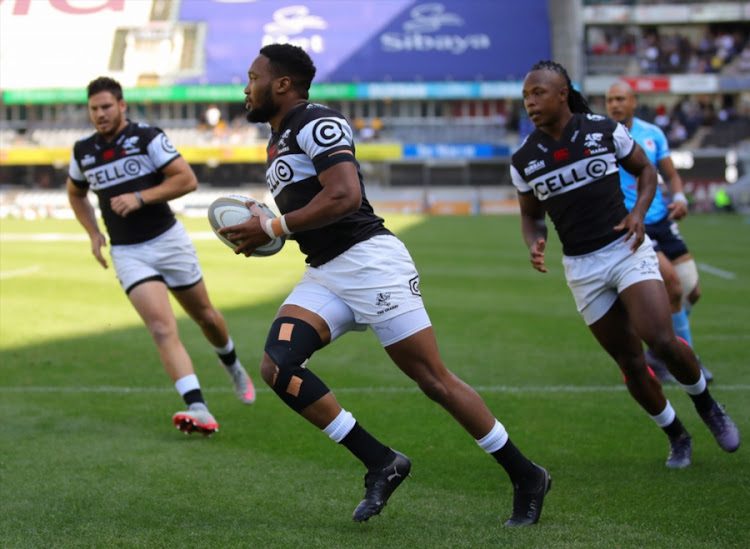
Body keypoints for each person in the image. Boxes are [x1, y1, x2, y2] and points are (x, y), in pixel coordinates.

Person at [219, 43, 550, 526]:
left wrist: (272, 228)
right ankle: (381, 462)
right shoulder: (274, 141)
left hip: (371, 263)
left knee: (432, 379)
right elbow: (308, 215)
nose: (245, 89)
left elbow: (346, 196)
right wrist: (266, 226)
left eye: (252, 78)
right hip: (326, 271)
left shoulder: (317, 121)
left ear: (282, 84)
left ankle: (526, 475)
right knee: (278, 366)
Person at [510, 60, 739, 469]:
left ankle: (707, 405)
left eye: (538, 93)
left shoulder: (603, 130)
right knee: (630, 364)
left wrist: (639, 213)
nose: (530, 102)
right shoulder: (524, 159)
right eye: (526, 96)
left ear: (562, 93)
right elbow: (530, 216)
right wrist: (535, 240)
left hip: (626, 248)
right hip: (582, 268)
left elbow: (646, 171)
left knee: (662, 340)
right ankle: (676, 434)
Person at [66, 76, 255, 436]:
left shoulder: (147, 137)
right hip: (127, 252)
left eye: (106, 106)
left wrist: (141, 197)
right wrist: (93, 233)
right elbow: (75, 194)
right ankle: (197, 407)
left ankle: (231, 363)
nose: (100, 114)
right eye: (94, 109)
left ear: (122, 106)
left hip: (168, 241)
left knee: (205, 316)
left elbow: (186, 180)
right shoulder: (82, 151)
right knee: (160, 327)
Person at [604, 81, 713, 384]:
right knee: (674, 286)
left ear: (634, 102)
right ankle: (688, 360)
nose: (615, 104)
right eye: (610, 100)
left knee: (693, 290)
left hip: (661, 218)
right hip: (633, 222)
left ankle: (658, 347)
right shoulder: (601, 138)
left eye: (620, 99)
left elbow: (671, 174)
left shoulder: (652, 134)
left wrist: (679, 197)